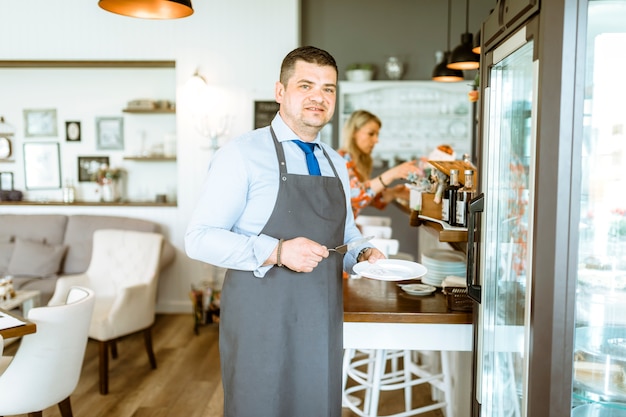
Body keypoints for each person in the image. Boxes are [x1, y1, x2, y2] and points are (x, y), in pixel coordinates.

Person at [185, 46, 385, 417]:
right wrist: (277, 252)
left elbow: (345, 233)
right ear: (281, 92)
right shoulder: (241, 154)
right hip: (260, 319)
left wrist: (362, 254)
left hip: (321, 316)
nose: (318, 97)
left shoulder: (335, 162)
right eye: (305, 85)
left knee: (317, 404)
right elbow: (199, 238)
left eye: (328, 88)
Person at [338, 109, 421, 218]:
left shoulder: (357, 161)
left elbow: (369, 198)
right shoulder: (341, 160)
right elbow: (357, 196)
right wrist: (392, 174)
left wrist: (393, 192)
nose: (376, 140)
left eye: (377, 135)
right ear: (354, 132)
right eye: (371, 134)